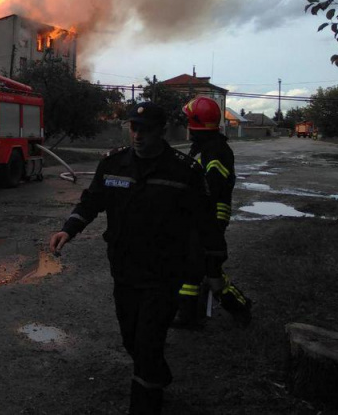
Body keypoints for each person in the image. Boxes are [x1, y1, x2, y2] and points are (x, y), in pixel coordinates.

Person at [49, 102, 225, 415]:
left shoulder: (185, 172)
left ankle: (145, 402)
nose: (138, 136)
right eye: (134, 128)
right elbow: (92, 202)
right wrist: (69, 229)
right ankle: (156, 374)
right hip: (125, 270)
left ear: (162, 132)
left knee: (147, 344)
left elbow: (207, 225)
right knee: (131, 339)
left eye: (146, 130)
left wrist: (213, 269)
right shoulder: (114, 164)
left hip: (164, 274)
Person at [178, 96, 252, 327]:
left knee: (212, 271)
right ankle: (190, 315)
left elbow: (214, 188)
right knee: (191, 268)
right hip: (201, 218)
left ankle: (240, 305)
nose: (186, 124)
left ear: (195, 122)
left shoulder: (215, 150)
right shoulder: (205, 146)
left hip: (209, 220)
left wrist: (211, 226)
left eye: (188, 120)